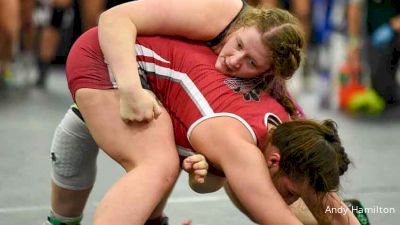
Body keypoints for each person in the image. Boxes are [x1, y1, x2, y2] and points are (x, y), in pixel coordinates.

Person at [45, 26, 358, 224]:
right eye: (290, 192)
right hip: (107, 57)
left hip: (157, 74)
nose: (290, 199)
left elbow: (321, 194)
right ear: (274, 160)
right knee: (158, 165)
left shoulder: (292, 129)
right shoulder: (241, 147)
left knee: (160, 146)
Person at [97, 0, 304, 122]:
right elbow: (113, 19)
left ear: (265, 72)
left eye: (251, 63)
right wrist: (131, 91)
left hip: (134, 61)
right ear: (243, 26)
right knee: (159, 163)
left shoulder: (271, 77)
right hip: (110, 46)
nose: (234, 61)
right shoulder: (218, 12)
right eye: (239, 45)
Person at [347, 0, 400, 113]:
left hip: (395, 31)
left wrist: (392, 26)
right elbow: (354, 10)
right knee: (382, 89)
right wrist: (353, 45)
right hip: (373, 35)